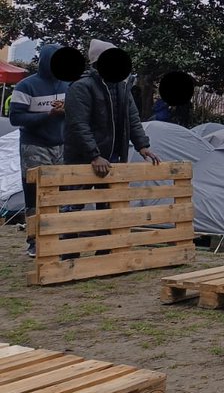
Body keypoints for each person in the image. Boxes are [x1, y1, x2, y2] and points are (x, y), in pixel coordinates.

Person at [64, 40, 160, 175]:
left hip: (114, 156)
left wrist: (142, 146)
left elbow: (132, 119)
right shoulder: (81, 87)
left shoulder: (122, 86)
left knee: (112, 195)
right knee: (80, 195)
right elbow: (78, 125)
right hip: (84, 159)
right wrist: (94, 156)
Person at [9, 43, 68, 257]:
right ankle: (33, 239)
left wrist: (66, 111)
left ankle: (55, 235)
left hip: (60, 145)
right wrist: (47, 116)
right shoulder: (26, 86)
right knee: (34, 193)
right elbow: (16, 118)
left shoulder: (67, 85)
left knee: (58, 193)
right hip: (34, 145)